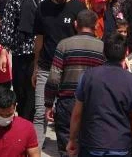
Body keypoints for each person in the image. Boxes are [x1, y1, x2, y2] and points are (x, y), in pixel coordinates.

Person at [66, 33, 132, 157]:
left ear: (104, 53)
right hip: (120, 147)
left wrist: (72, 139)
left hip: (91, 146)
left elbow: (77, 114)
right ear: (126, 54)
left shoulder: (87, 77)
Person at [33, 0, 85, 147]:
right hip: (46, 67)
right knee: (40, 112)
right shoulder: (42, 8)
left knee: (72, 112)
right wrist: (35, 68)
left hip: (71, 71)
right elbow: (39, 40)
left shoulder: (79, 9)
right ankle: (35, 150)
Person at [43, 9, 104, 156]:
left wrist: (49, 104)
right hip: (93, 104)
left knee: (66, 149)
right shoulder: (102, 47)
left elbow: (53, 78)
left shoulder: (64, 45)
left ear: (76, 24)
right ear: (95, 26)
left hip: (67, 103)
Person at [0, 0, 51, 121]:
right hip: (21, 53)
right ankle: (24, 125)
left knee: (37, 96)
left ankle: (32, 129)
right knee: (22, 93)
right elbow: (7, 26)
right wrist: (4, 52)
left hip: (43, 53)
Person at [0, 88, 40, 157]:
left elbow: (34, 154)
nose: (4, 118)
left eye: (9, 114)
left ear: (15, 107)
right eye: (0, 114)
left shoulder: (27, 127)